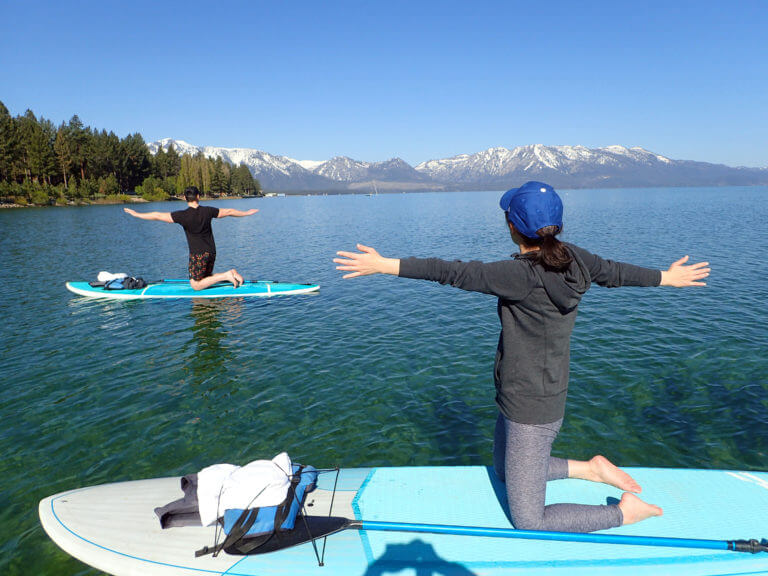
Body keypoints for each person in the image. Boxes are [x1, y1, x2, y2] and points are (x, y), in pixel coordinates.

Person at [334, 181, 710, 533]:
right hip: (517, 391)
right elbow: (615, 272)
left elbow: (452, 272)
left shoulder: (520, 275)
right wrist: (665, 276)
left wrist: (385, 265)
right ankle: (591, 468)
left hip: (534, 406)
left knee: (529, 521)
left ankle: (624, 512)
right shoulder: (576, 259)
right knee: (502, 470)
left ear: (512, 226)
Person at [124, 186, 258, 290]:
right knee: (206, 278)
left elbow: (158, 215)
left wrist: (137, 214)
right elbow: (229, 211)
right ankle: (232, 274)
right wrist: (246, 213)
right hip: (212, 252)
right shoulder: (208, 211)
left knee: (195, 285)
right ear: (198, 196)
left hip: (198, 255)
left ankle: (226, 275)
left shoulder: (182, 215)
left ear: (185, 198)